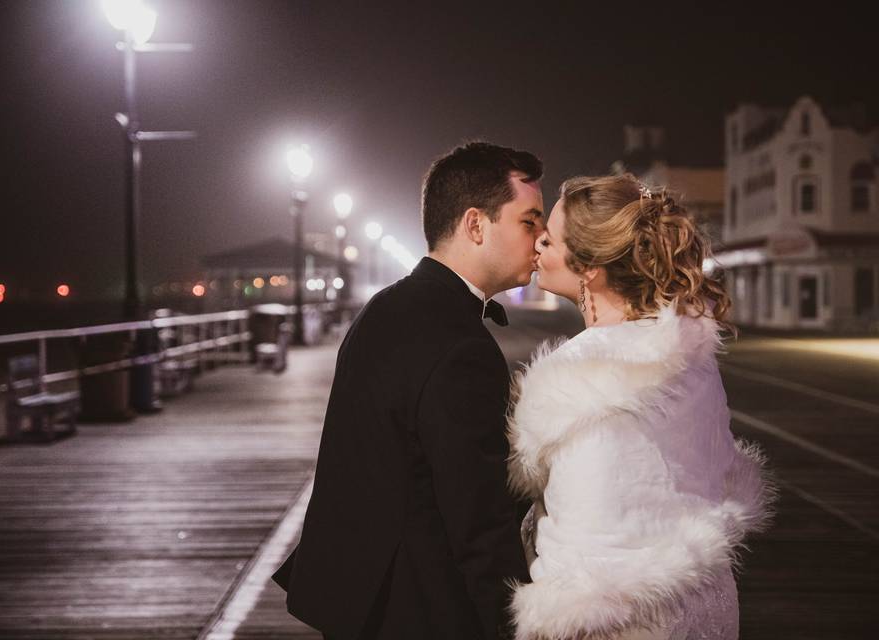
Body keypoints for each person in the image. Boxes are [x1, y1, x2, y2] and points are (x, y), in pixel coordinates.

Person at [273, 141, 545, 640]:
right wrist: (515, 629)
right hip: (421, 608)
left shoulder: (385, 308)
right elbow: (478, 521)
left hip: (358, 600)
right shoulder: (461, 345)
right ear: (475, 225)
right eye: (530, 221)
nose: (543, 237)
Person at [508, 174, 775, 640]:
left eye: (550, 236)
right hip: (704, 601)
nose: (538, 243)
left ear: (589, 268)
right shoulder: (694, 358)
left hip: (614, 620)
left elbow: (589, 536)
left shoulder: (573, 374)